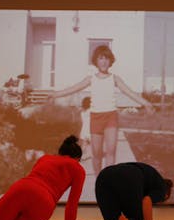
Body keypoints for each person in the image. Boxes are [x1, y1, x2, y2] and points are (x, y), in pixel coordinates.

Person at [48, 45, 154, 175]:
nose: (103, 61)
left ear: (110, 61)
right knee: (97, 154)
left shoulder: (115, 78)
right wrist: (55, 94)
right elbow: (74, 88)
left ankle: (107, 180)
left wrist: (146, 103)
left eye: (106, 58)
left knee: (111, 151)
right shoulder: (90, 78)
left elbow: (130, 93)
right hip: (96, 118)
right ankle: (99, 178)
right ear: (96, 61)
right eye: (100, 58)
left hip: (111, 117)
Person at [73, 162, 173, 220]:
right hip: (130, 177)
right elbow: (146, 201)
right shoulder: (162, 189)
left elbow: (144, 205)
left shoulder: (151, 178)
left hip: (105, 176)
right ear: (166, 195)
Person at [79, 96, 92, 160]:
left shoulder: (82, 112)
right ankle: (88, 155)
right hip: (90, 128)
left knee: (84, 144)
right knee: (90, 143)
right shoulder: (90, 111)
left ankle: (82, 155)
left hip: (83, 129)